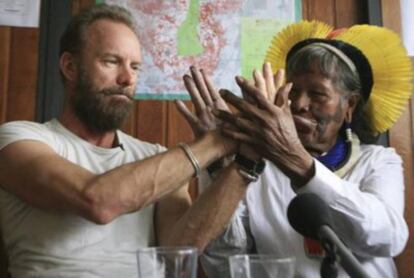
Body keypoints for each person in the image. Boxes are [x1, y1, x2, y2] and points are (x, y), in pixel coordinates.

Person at [0, 4, 258, 277]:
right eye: (111, 62)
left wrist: (245, 161)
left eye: (135, 67)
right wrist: (217, 141)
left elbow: (182, 249)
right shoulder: (18, 139)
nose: (127, 78)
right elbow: (98, 201)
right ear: (70, 66)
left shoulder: (158, 158)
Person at [178, 21, 412, 277]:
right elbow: (226, 266)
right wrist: (218, 169)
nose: (299, 104)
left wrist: (296, 160)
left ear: (349, 106)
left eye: (318, 94)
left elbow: (388, 236)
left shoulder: (378, 161)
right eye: (294, 90)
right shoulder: (258, 168)